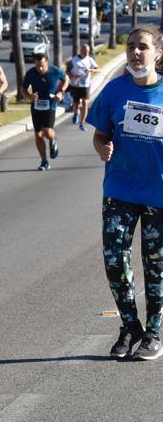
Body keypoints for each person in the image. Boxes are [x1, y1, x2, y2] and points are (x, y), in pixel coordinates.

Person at [87, 25, 163, 361]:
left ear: (157, 53)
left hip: (159, 195)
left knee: (155, 266)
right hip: (119, 190)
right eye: (131, 46)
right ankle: (130, 326)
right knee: (115, 261)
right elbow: (101, 135)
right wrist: (101, 148)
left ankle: (154, 332)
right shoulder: (114, 92)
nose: (135, 53)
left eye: (142, 47)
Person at [21, 53, 69, 171]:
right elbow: (23, 89)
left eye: (42, 65)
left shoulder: (55, 71)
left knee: (47, 130)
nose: (40, 69)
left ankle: (53, 140)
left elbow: (66, 79)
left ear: (47, 62)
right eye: (37, 66)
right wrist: (29, 96)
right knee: (38, 135)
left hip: (50, 105)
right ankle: (44, 161)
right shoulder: (31, 73)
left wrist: (61, 92)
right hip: (36, 106)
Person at [66, 43, 100, 131]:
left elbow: (98, 69)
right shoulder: (73, 60)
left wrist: (91, 70)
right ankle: (76, 113)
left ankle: (81, 123)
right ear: (80, 51)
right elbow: (67, 72)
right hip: (75, 85)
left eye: (88, 52)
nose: (86, 54)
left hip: (86, 85)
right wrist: (74, 75)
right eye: (85, 52)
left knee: (85, 103)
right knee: (76, 104)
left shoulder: (90, 60)